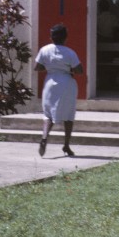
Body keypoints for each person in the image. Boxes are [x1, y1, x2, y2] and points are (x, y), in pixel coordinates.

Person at [35, 23, 82, 157]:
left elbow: (37, 67)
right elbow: (79, 70)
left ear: (51, 37)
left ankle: (45, 137)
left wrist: (51, 67)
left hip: (50, 82)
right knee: (68, 115)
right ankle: (66, 145)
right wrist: (67, 68)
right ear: (65, 38)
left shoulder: (44, 50)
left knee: (48, 114)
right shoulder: (70, 53)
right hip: (66, 83)